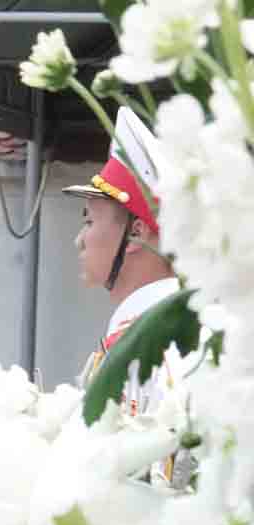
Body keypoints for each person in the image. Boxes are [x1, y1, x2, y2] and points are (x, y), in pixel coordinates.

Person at [66, 106, 187, 485]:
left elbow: (167, 483)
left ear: (136, 233)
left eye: (89, 220)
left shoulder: (158, 344)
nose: (79, 239)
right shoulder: (145, 333)